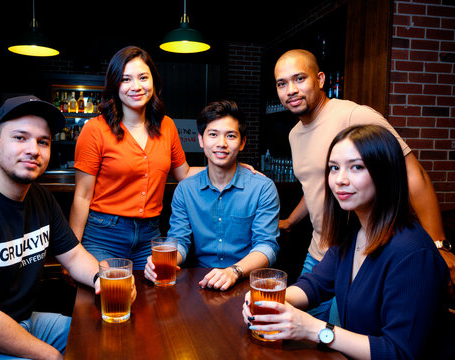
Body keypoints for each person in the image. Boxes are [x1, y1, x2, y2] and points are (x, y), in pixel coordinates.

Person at [0, 95, 137, 360]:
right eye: (20, 138)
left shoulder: (40, 198)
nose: (34, 150)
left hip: (23, 320)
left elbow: (74, 255)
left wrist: (104, 278)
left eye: (42, 141)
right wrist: (52, 356)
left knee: (105, 336)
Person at [242, 125, 453, 360]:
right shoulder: (353, 231)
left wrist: (313, 329)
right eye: (334, 168)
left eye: (356, 167)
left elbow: (399, 352)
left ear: (386, 174)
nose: (339, 180)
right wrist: (269, 304)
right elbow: (316, 283)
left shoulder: (413, 253)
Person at [274, 49, 449, 322]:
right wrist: (290, 222)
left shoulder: (354, 116)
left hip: (363, 255)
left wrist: (438, 245)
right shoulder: (295, 134)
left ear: (320, 80)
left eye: (299, 79)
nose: (291, 90)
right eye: (282, 83)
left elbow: (413, 175)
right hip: (322, 253)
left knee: (329, 335)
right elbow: (314, 187)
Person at [70, 46, 256, 270]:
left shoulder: (166, 125)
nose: (136, 86)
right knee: (111, 297)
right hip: (105, 235)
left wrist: (230, 166)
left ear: (154, 81)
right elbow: (82, 195)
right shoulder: (95, 129)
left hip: (150, 235)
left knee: (154, 297)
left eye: (143, 77)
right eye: (126, 79)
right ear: (114, 85)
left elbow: (184, 173)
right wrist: (72, 253)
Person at [144, 100, 280, 291]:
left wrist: (234, 271)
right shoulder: (185, 190)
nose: (221, 144)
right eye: (213, 135)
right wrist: (163, 261)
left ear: (242, 143)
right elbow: (180, 240)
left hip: (246, 281)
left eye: (230, 136)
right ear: (201, 140)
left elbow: (267, 246)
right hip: (200, 283)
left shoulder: (262, 188)